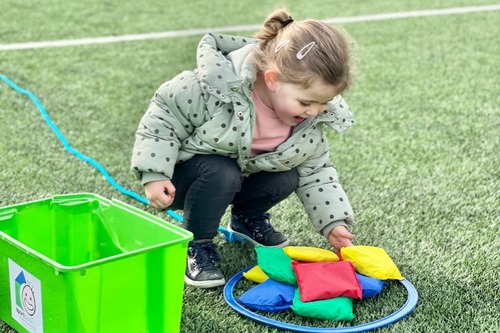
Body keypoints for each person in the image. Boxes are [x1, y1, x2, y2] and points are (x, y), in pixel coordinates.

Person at [131, 8, 357, 288]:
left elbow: (318, 172)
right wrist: (154, 173)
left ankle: (246, 219)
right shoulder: (216, 87)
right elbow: (163, 116)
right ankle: (197, 243)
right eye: (306, 102)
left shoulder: (308, 124)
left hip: (239, 178)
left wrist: (333, 222)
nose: (315, 112)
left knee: (289, 174)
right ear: (272, 79)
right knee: (220, 171)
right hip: (184, 181)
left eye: (324, 103)